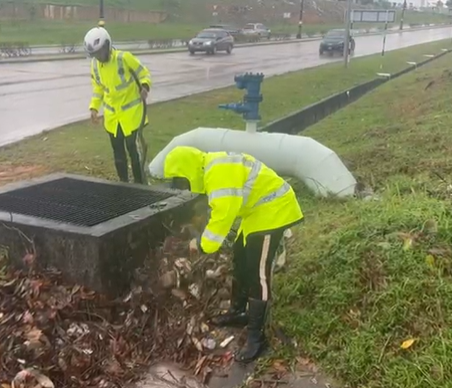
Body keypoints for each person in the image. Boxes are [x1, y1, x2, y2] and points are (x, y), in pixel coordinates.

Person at [162, 146, 304, 362]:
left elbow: (222, 216)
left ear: (188, 170)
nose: (182, 185)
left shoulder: (216, 173)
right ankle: (239, 311)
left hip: (274, 211)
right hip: (258, 211)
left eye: (181, 179)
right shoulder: (211, 168)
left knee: (259, 273)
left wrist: (201, 244)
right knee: (240, 258)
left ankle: (257, 337)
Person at [84, 26, 151, 184]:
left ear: (108, 45)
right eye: (95, 54)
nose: (99, 57)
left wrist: (145, 86)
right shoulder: (95, 66)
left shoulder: (124, 58)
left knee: (134, 151)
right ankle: (123, 183)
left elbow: (144, 73)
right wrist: (94, 108)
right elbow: (98, 88)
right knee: (118, 152)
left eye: (100, 52)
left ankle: (141, 183)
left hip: (132, 116)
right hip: (113, 119)